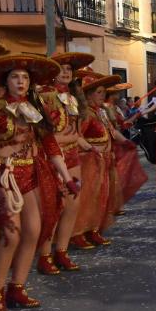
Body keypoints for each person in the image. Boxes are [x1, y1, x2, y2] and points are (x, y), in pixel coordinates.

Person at [0, 54, 79, 311]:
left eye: (24, 78)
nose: (20, 81)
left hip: (30, 175)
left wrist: (66, 177)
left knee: (34, 230)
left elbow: (50, 144)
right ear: (6, 81)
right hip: (3, 176)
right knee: (11, 235)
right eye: (14, 77)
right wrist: (4, 152)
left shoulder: (35, 109)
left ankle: (17, 288)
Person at [36, 52, 94, 275]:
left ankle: (62, 251)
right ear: (52, 72)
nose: (66, 72)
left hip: (72, 156)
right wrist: (71, 139)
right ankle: (44, 256)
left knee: (72, 206)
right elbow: (43, 136)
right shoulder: (45, 97)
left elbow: (74, 132)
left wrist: (83, 143)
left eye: (69, 69)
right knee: (52, 209)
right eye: (61, 68)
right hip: (51, 158)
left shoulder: (71, 97)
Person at [70, 70, 123, 249]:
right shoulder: (85, 114)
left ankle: (93, 229)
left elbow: (110, 133)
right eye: (99, 93)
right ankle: (78, 233)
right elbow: (77, 136)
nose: (103, 96)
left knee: (101, 195)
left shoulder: (100, 112)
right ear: (89, 95)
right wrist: (90, 148)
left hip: (104, 160)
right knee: (87, 197)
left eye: (103, 92)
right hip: (89, 161)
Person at [104, 83, 148, 215]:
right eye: (117, 92)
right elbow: (118, 127)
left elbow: (124, 124)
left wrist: (137, 115)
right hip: (113, 144)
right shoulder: (107, 108)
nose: (119, 94)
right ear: (111, 95)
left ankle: (115, 204)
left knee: (116, 174)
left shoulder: (115, 108)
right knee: (113, 175)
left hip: (119, 141)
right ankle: (112, 205)